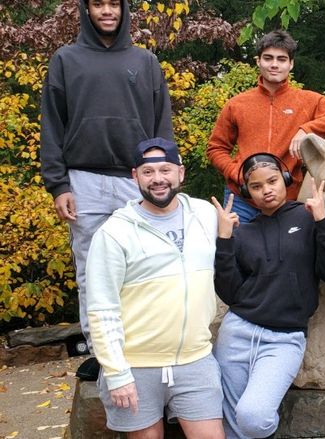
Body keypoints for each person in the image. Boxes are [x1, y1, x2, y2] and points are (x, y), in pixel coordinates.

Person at [40, 0, 173, 379]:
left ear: (124, 9)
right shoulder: (65, 60)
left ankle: (145, 347)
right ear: (87, 10)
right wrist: (59, 184)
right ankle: (103, 353)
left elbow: (162, 122)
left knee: (146, 266)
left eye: (113, 3)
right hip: (84, 180)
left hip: (137, 179)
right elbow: (51, 125)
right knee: (92, 269)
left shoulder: (145, 61)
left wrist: (162, 174)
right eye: (98, 3)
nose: (107, 10)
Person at [85, 139, 223, 438]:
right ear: (135, 176)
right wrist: (117, 373)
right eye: (148, 172)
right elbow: (101, 308)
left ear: (180, 173)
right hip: (136, 366)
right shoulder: (114, 233)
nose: (158, 178)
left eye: (165, 169)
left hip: (195, 360)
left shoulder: (206, 215)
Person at [211, 153, 325, 438]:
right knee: (233, 428)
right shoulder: (242, 232)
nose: (266, 190)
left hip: (284, 339)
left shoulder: (309, 218)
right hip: (237, 333)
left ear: (285, 179)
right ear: (248, 192)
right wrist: (224, 241)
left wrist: (322, 221)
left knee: (253, 418)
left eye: (272, 181)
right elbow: (229, 291)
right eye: (257, 186)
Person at [207, 30, 325, 224]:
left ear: (291, 64)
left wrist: (307, 129)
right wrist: (236, 173)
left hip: (287, 198)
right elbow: (216, 148)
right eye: (268, 58)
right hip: (242, 199)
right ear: (258, 61)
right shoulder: (237, 104)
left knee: (288, 254)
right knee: (237, 251)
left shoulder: (307, 100)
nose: (274, 64)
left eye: (281, 59)